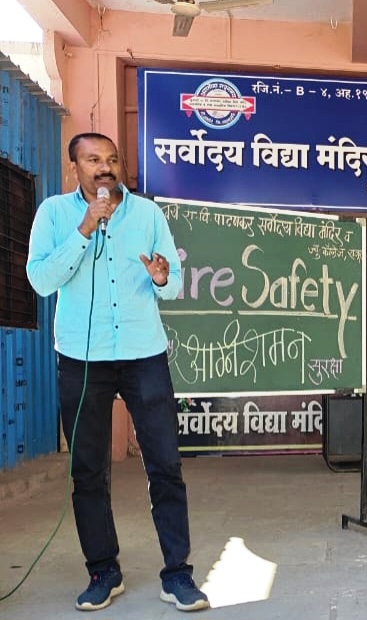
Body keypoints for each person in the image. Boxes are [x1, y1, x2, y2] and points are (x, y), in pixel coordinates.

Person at [25, 133, 208, 612]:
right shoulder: (53, 214)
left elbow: (173, 284)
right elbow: (41, 280)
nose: (104, 168)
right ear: (75, 168)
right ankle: (103, 570)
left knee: (165, 464)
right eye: (93, 160)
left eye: (111, 159)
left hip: (143, 352)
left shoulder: (147, 215)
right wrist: (84, 229)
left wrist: (163, 278)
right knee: (88, 470)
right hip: (82, 358)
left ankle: (178, 573)